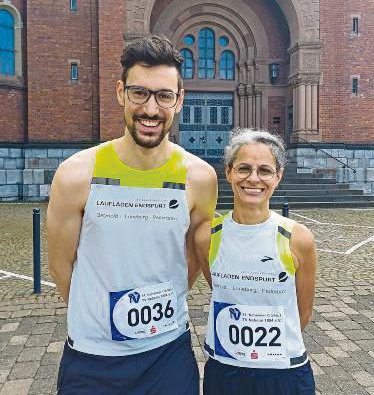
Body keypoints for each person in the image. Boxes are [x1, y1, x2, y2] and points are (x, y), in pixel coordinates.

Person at [47, 35, 217, 395]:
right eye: (140, 93)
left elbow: (191, 258)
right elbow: (61, 268)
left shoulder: (200, 177)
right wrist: (101, 316)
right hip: (93, 358)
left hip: (167, 354)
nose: (151, 110)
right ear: (121, 92)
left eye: (164, 96)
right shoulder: (76, 174)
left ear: (179, 100)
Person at [196, 128, 317, 395]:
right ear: (228, 172)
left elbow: (302, 313)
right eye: (243, 169)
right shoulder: (206, 236)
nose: (253, 178)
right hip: (225, 368)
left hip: (284, 372)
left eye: (264, 170)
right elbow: (220, 289)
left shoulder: (298, 238)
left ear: (278, 176)